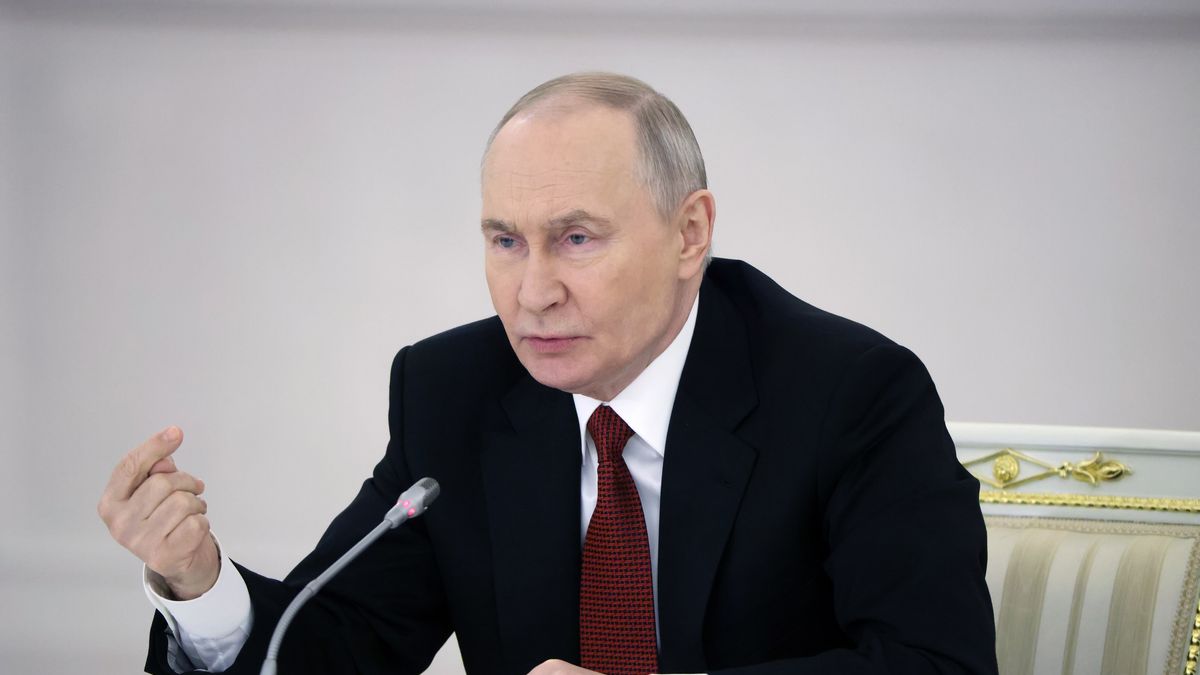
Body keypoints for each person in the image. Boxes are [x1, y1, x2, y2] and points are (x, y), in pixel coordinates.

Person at [98, 72, 998, 675]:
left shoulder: (851, 394)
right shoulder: (452, 393)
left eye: (576, 238)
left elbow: (936, 661)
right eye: (504, 241)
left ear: (690, 234)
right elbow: (335, 644)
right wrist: (199, 580)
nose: (532, 292)